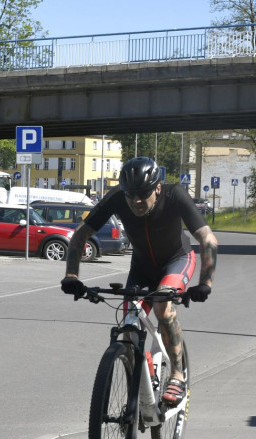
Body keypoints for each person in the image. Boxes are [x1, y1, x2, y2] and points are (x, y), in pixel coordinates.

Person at [61, 156, 217, 407]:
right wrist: (72, 276)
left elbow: (207, 239)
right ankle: (143, 384)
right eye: (130, 195)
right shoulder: (117, 198)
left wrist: (205, 283)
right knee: (130, 324)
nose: (136, 201)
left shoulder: (175, 194)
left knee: (161, 306)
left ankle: (177, 375)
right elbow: (81, 234)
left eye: (143, 194)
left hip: (177, 259)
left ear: (157, 188)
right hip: (142, 268)